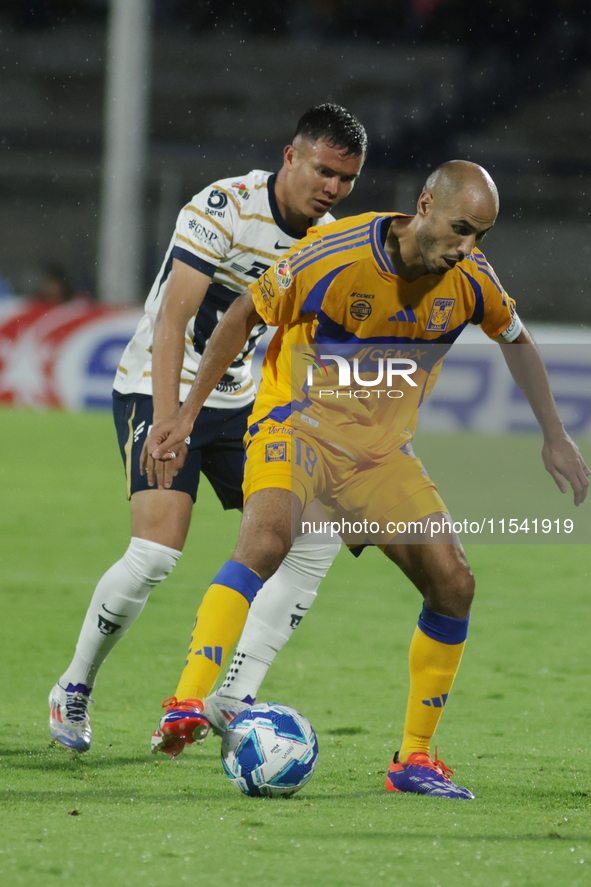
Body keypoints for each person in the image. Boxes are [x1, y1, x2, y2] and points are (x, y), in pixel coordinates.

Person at [144, 160, 589, 797]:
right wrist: (187, 414)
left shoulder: (472, 280)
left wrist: (553, 432)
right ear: (425, 204)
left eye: (481, 235)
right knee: (266, 544)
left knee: (454, 583)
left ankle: (414, 759)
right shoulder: (334, 255)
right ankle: (186, 701)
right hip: (294, 427)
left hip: (377, 457)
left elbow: (516, 340)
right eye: (461, 228)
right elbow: (243, 313)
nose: (468, 247)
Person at [48, 103, 367, 752]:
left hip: (243, 404)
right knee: (155, 554)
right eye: (323, 171)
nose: (331, 188)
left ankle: (231, 696)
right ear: (291, 156)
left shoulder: (326, 242)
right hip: (154, 385)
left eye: (346, 179)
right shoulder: (224, 206)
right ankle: (74, 685)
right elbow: (175, 317)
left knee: (315, 532)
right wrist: (170, 417)